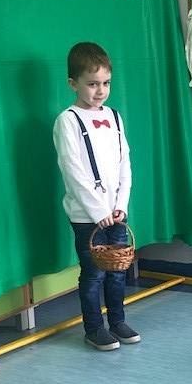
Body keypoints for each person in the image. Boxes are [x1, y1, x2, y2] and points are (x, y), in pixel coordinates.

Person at [53, 42, 140, 351]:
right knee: (94, 275)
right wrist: (98, 210)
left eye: (106, 83)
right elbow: (73, 170)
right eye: (92, 84)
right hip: (86, 215)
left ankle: (117, 322)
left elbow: (124, 163)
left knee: (117, 271)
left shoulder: (114, 117)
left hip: (115, 212)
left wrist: (120, 205)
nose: (100, 90)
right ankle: (94, 329)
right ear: (72, 83)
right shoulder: (68, 120)